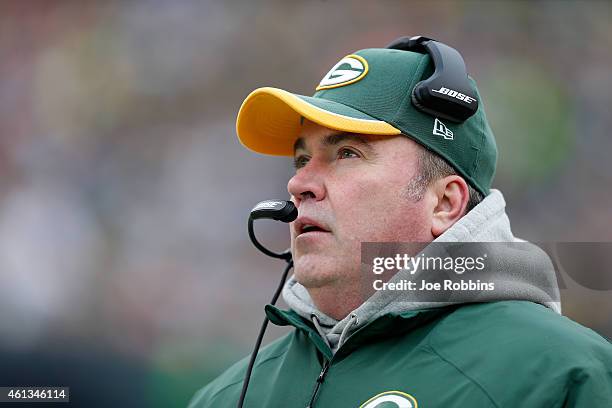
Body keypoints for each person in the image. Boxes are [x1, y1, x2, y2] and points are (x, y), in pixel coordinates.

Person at [189, 37, 612, 407]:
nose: (298, 182)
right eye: (302, 159)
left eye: (347, 153)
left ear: (444, 204)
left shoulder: (562, 375)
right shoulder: (225, 397)